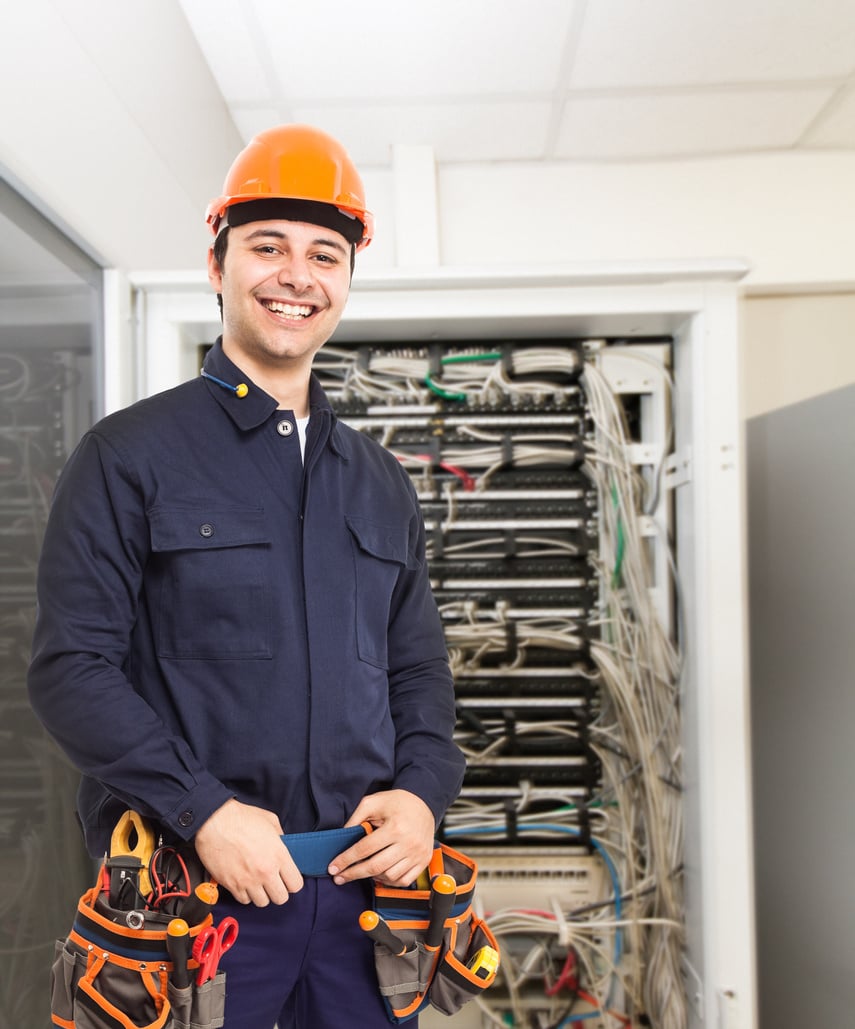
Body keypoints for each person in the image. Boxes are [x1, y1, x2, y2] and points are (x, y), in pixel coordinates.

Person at [27, 124, 465, 1028]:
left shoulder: (380, 482)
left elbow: (418, 672)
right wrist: (206, 812)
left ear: (345, 279)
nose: (296, 275)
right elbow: (71, 669)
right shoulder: (128, 456)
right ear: (218, 262)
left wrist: (423, 797)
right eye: (267, 246)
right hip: (191, 899)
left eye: (324, 254)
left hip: (365, 903)